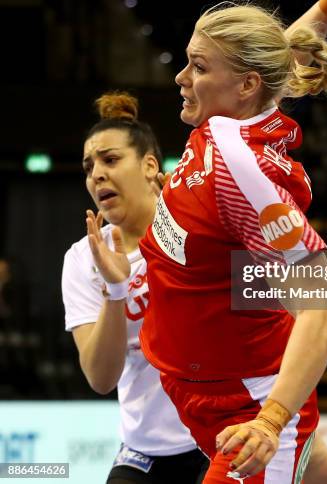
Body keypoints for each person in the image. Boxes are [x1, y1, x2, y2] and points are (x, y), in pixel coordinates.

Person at [87, 0, 327, 483]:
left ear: (242, 85)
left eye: (197, 67)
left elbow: (324, 309)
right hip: (199, 393)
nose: (180, 77)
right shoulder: (232, 114)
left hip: (246, 409)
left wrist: (270, 423)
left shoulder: (242, 167)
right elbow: (279, 53)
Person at [61, 93, 209, 484]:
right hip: (144, 450)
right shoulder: (82, 260)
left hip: (219, 433)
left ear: (149, 166)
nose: (96, 174)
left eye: (110, 160)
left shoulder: (197, 226)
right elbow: (100, 378)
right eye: (89, 166)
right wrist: (116, 288)